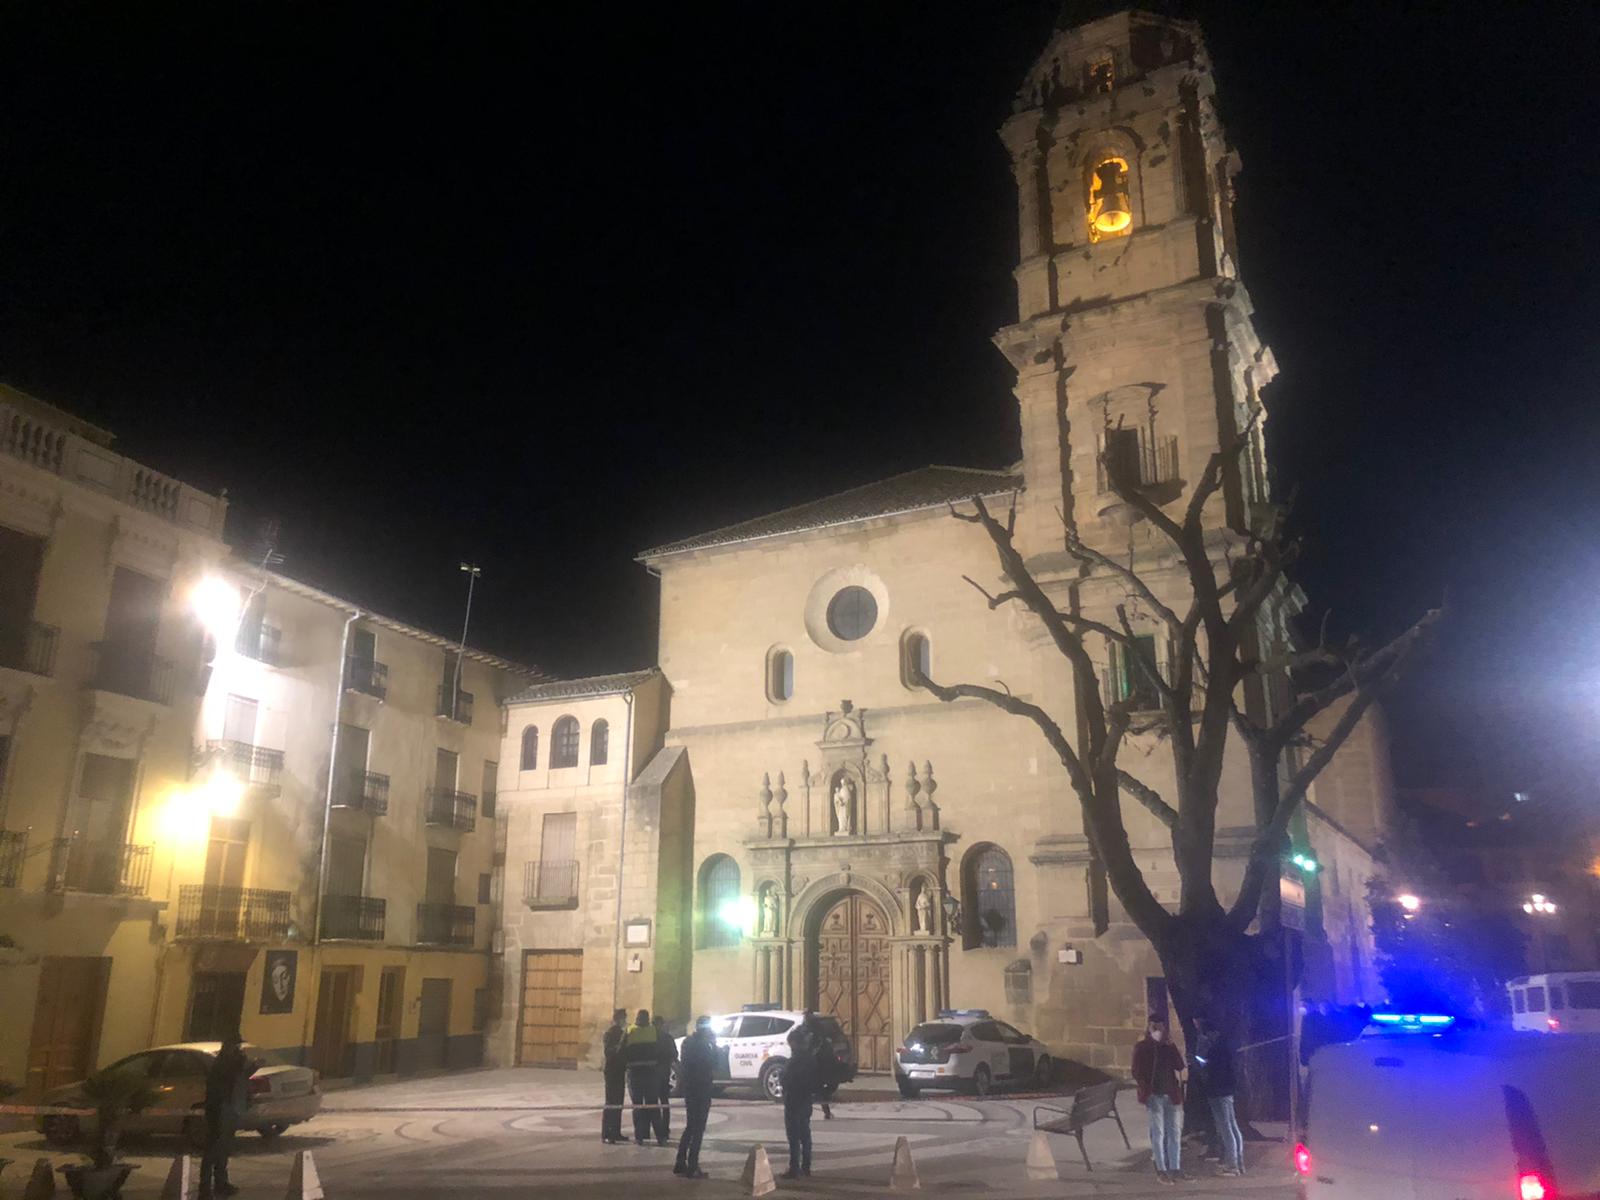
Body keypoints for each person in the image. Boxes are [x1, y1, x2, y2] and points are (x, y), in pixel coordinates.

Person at [198, 1032, 254, 1199]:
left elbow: (240, 1081)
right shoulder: (222, 1064)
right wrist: (244, 1066)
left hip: (229, 1109)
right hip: (218, 1111)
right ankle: (205, 1188)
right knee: (212, 1150)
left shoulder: (230, 1062)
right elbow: (229, 1080)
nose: (239, 1050)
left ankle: (221, 1183)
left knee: (223, 1150)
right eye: (236, 1047)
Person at [1133, 1018, 1187, 1185]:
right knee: (1158, 1132)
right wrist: (1145, 1089)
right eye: (1154, 1027)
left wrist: (1172, 1046)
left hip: (1171, 1094)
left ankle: (1175, 1168)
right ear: (1149, 1028)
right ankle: (1161, 1169)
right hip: (1154, 1095)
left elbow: (1179, 1065)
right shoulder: (1142, 1047)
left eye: (1160, 1027)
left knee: (1174, 1133)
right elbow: (1136, 1071)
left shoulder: (1167, 1047)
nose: (1158, 1031)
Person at [1193, 1016, 1244, 1177]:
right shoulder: (1225, 1044)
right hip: (1227, 1090)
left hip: (1217, 1090)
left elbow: (1209, 1066)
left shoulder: (1214, 1047)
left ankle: (1233, 1165)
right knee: (1232, 1125)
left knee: (1225, 1127)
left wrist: (1200, 1062)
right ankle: (1238, 1162)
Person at [674, 1015, 718, 1180]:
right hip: (702, 1089)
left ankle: (680, 1161)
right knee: (698, 1128)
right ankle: (692, 1166)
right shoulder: (704, 1045)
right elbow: (713, 1063)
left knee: (690, 1126)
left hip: (690, 1088)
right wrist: (714, 1045)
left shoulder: (687, 1042)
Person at [780, 1022, 819, 1178]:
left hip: (794, 1101)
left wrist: (785, 1081)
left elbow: (788, 1079)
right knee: (805, 1134)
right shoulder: (810, 1059)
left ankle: (794, 1168)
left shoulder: (797, 1060)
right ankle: (806, 1166)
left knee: (794, 1136)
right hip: (805, 1100)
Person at [624, 1008, 662, 1145]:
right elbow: (660, 1049)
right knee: (653, 1105)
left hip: (635, 1074)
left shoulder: (630, 1031)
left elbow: (623, 1050)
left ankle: (639, 1137)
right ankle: (660, 1136)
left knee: (638, 1106)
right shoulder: (653, 1031)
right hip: (651, 1073)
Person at [602, 1008, 628, 1145]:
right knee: (611, 1102)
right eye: (624, 1018)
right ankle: (607, 1133)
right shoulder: (610, 1033)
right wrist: (618, 1047)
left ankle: (616, 1132)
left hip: (619, 1071)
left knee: (618, 1102)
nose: (625, 1021)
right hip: (612, 1071)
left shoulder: (623, 1033)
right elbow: (608, 1052)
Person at [653, 1014, 679, 1147]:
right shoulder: (667, 1038)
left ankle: (655, 1131)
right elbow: (675, 1054)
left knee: (652, 1104)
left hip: (652, 1074)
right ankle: (664, 1130)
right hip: (663, 1074)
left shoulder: (650, 1038)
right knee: (664, 1103)